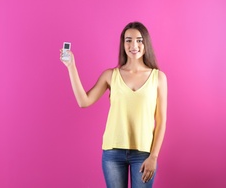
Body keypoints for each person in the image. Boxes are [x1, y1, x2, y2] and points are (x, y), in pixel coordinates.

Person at [60, 21, 167, 188]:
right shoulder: (111, 75)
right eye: (128, 40)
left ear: (146, 43)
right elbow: (83, 101)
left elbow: (161, 122)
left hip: (144, 154)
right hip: (113, 153)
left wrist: (153, 156)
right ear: (123, 44)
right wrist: (71, 66)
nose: (134, 45)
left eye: (139, 40)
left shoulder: (158, 77)